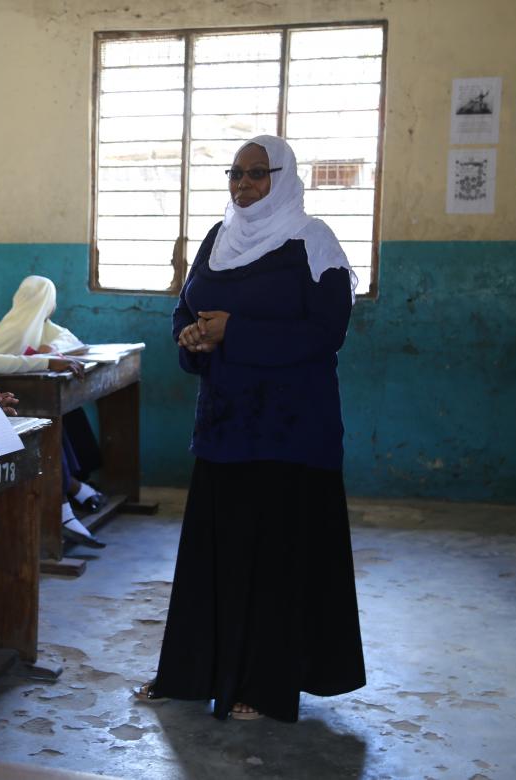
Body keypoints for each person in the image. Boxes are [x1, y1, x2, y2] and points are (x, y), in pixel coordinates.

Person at [136, 135, 364, 722]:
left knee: (274, 559)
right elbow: (187, 308)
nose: (244, 185)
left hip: (292, 432)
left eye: (258, 173)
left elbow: (325, 333)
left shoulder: (313, 242)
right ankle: (192, 674)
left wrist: (234, 331)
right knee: (215, 553)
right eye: (236, 174)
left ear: (283, 177)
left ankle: (262, 688)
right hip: (226, 425)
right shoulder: (218, 238)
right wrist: (191, 336)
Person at [0, 275, 107, 542]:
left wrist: (49, 349)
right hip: (2, 408)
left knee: (66, 415)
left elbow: (71, 341)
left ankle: (75, 489)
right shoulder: (10, 331)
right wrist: (43, 357)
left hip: (27, 403)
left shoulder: (39, 325)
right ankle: (68, 500)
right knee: (50, 424)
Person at [0, 276, 84, 356]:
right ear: (45, 303)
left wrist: (53, 347)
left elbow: (70, 339)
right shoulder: (16, 333)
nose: (54, 305)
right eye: (52, 300)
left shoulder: (41, 326)